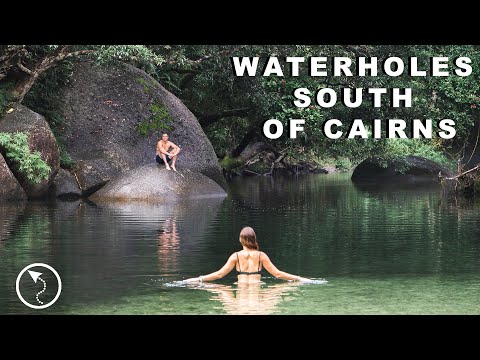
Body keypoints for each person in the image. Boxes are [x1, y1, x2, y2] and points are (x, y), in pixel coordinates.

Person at [185, 227, 311, 284]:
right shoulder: (261, 255)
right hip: (256, 288)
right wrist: (299, 278)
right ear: (254, 239)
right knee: (282, 289)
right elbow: (277, 274)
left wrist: (199, 279)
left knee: (221, 290)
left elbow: (219, 274)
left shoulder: (236, 256)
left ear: (241, 240)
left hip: (241, 289)